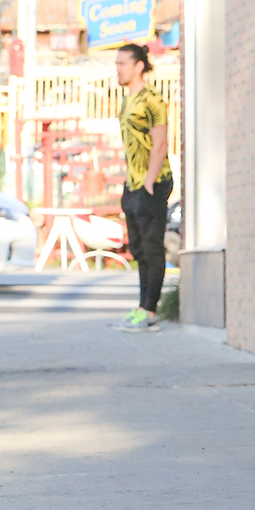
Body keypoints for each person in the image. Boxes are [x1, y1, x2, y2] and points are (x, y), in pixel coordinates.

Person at [115, 42, 173, 331]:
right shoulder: (127, 100)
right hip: (133, 184)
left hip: (154, 182)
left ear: (138, 65)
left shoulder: (152, 99)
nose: (118, 69)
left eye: (122, 63)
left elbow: (160, 142)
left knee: (152, 248)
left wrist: (149, 180)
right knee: (138, 249)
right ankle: (141, 307)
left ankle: (149, 311)